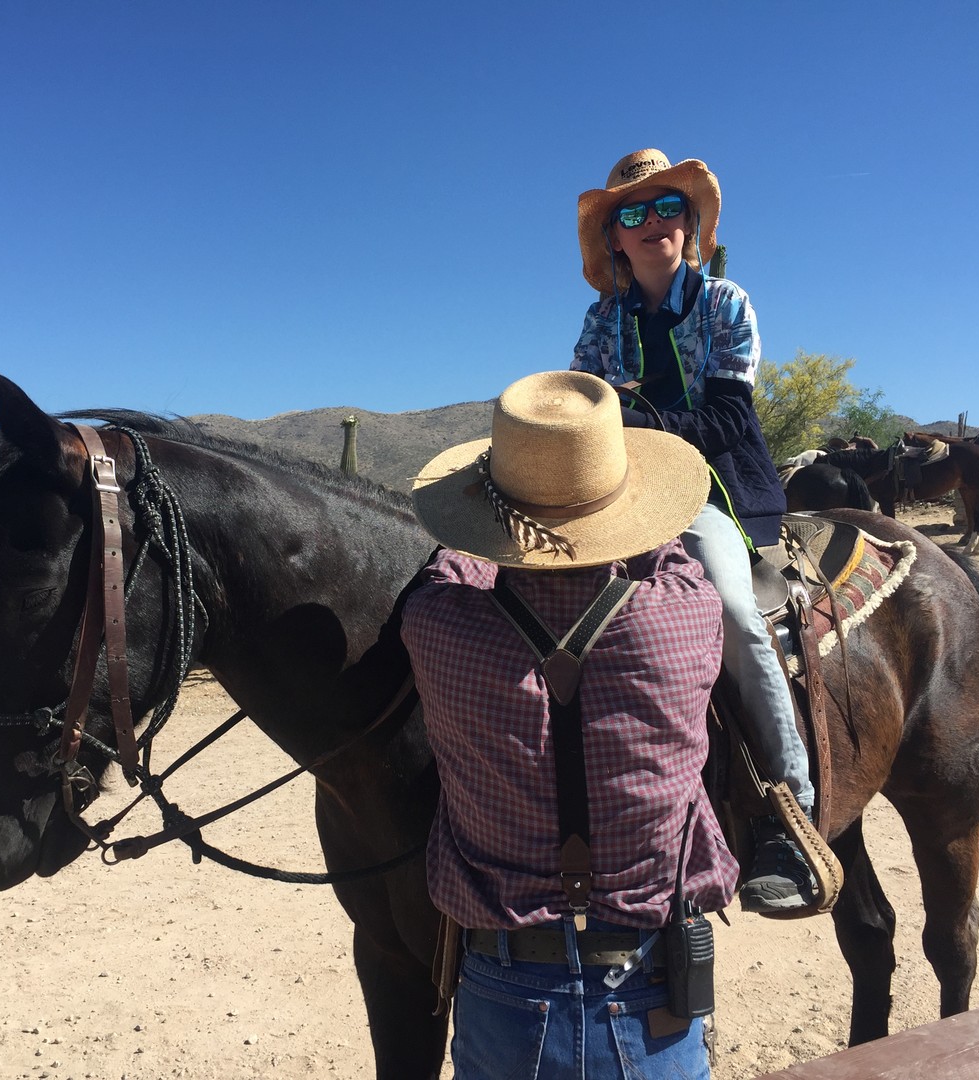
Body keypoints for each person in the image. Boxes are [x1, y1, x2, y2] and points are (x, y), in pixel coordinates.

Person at [402, 369, 737, 1080]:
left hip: (502, 993)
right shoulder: (687, 611)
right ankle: (788, 802)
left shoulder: (436, 626)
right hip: (650, 993)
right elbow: (669, 553)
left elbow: (449, 569)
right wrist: (627, 502)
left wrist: (486, 516)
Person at [571, 147, 816, 913]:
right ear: (614, 238)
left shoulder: (725, 304)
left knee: (735, 613)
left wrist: (636, 420)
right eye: (632, 213)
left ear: (690, 223)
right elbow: (585, 413)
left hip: (712, 487)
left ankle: (790, 805)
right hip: (620, 493)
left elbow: (726, 418)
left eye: (666, 206)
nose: (652, 224)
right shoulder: (601, 321)